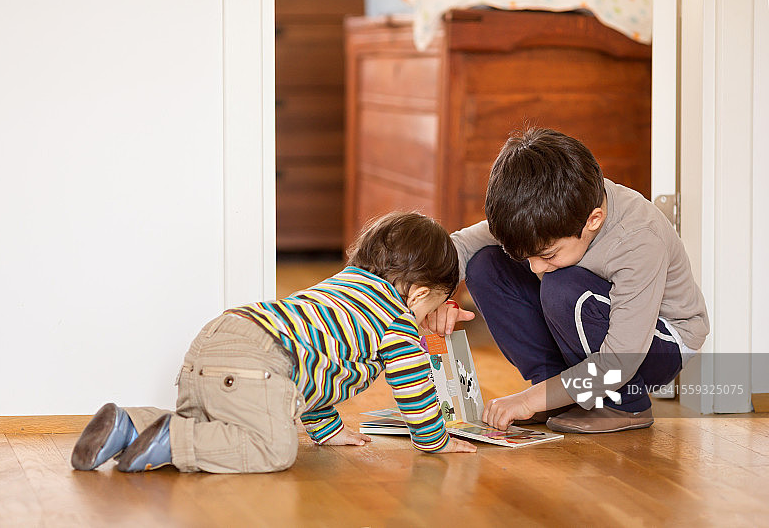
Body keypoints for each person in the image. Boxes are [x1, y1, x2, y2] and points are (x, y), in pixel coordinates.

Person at [71, 211, 476, 474]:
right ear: (421, 294)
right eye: (431, 307)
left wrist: (328, 429)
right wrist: (433, 439)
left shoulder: (342, 286)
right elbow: (413, 385)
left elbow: (314, 365)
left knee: (217, 426)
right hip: (259, 360)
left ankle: (130, 424)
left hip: (216, 339)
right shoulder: (397, 319)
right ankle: (173, 440)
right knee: (273, 449)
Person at [426, 128, 709, 434]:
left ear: (593, 221)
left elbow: (620, 361)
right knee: (484, 264)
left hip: (655, 347)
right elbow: (461, 246)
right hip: (600, 328)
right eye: (529, 257)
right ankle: (557, 396)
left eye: (547, 254)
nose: (535, 268)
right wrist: (439, 300)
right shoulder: (541, 214)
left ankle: (625, 405)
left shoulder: (638, 239)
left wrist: (528, 401)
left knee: (562, 287)